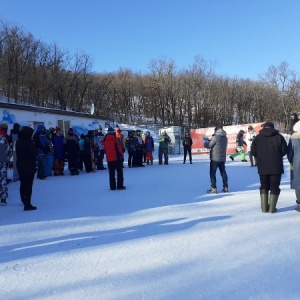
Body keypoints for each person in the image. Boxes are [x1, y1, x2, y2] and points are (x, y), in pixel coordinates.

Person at [251, 121, 288, 213]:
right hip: (276, 166)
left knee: (264, 185)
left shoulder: (257, 138)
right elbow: (284, 151)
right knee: (275, 186)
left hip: (262, 166)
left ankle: (264, 208)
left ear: (264, 127)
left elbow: (253, 152)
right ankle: (272, 208)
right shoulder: (279, 137)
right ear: (273, 127)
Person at [16, 126, 38, 211]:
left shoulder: (18, 141)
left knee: (23, 183)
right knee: (28, 185)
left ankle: (23, 200)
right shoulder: (29, 142)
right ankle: (27, 203)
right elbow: (34, 154)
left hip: (20, 165)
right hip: (28, 165)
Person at [204, 125, 229, 193]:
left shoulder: (215, 137)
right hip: (223, 158)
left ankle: (213, 187)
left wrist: (206, 141)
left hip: (215, 158)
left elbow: (209, 146)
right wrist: (211, 140)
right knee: (223, 172)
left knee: (212, 173)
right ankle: (225, 187)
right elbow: (218, 144)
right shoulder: (225, 137)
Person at [287, 120, 300, 212]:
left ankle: (299, 205)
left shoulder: (293, 139)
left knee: (298, 184)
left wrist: (291, 161)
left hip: (297, 164)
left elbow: (289, 153)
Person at [0, 123, 11, 206]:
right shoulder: (3, 138)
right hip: (2, 162)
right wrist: (7, 160)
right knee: (3, 180)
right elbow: (8, 151)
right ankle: (3, 198)